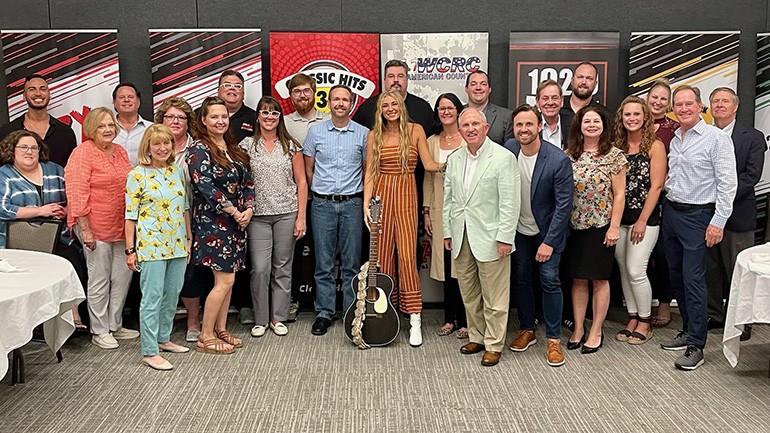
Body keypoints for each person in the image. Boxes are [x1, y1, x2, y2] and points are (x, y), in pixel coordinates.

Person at [659, 85, 736, 371]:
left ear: (700, 105)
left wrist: (718, 221)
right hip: (672, 212)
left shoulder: (716, 139)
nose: (683, 109)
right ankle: (688, 330)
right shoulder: (677, 138)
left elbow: (728, 183)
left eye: (688, 104)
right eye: (678, 105)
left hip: (699, 216)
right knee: (677, 276)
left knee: (693, 280)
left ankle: (697, 345)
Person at [363, 90, 443, 347]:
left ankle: (415, 319)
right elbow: (370, 174)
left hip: (408, 195)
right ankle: (387, 314)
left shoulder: (416, 130)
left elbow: (429, 164)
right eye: (385, 105)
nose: (390, 108)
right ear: (380, 110)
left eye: (394, 104)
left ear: (401, 106)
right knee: (382, 257)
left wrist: (452, 161)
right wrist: (366, 205)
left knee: (408, 257)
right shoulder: (374, 135)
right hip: (381, 198)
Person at [443, 107, 520, 367]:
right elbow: (449, 200)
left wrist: (505, 238)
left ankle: (494, 343)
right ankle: (476, 336)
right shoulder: (455, 159)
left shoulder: (503, 158)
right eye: (465, 125)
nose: (471, 129)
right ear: (460, 130)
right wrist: (447, 231)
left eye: (475, 124)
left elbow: (510, 203)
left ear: (486, 128)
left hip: (491, 238)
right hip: (461, 235)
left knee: (495, 298)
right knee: (469, 293)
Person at [503, 105, 573, 367]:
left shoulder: (557, 160)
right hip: (519, 231)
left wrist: (548, 243)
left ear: (540, 126)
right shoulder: (509, 149)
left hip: (547, 232)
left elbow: (563, 206)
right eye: (519, 125)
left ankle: (553, 340)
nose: (524, 129)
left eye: (529, 124)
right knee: (521, 280)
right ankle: (527, 329)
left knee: (549, 279)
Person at [187, 96, 256, 354]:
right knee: (224, 281)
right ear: (203, 120)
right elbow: (204, 185)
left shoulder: (233, 148)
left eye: (224, 116)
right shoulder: (199, 149)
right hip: (213, 224)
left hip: (237, 223)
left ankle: (221, 329)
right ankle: (206, 336)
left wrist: (248, 209)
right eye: (214, 116)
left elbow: (248, 182)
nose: (220, 121)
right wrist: (232, 210)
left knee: (229, 279)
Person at [65, 107, 137, 349]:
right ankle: (99, 329)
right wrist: (85, 229)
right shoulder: (82, 153)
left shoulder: (120, 151)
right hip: (94, 225)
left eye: (110, 125)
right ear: (91, 130)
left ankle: (114, 324)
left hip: (122, 225)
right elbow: (76, 193)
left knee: (122, 277)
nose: (107, 130)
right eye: (101, 126)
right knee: (99, 278)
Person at [0, 131, 87, 330]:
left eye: (34, 147)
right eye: (24, 147)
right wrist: (41, 211)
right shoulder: (4, 174)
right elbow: (2, 208)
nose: (29, 152)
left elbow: (74, 197)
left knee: (71, 263)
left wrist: (66, 210)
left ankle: (71, 316)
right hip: (20, 241)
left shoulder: (55, 170)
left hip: (58, 236)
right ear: (12, 151)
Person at [125, 124, 192, 370]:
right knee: (152, 297)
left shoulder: (176, 172)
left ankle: (164, 338)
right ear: (148, 147)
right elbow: (130, 216)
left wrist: (188, 239)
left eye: (167, 143)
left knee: (172, 294)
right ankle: (149, 350)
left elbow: (184, 208)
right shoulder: (137, 175)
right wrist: (130, 250)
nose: (162, 148)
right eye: (157, 144)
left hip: (176, 243)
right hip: (151, 245)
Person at [239, 96, 307, 338]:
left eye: (274, 113)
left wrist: (301, 217)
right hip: (257, 216)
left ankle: (278, 317)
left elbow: (301, 181)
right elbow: (241, 182)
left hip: (287, 213)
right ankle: (260, 319)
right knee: (259, 268)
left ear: (280, 118)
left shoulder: (291, 146)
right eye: (264, 113)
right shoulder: (246, 146)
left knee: (282, 267)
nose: (269, 117)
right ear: (257, 116)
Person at [304, 85, 368, 336]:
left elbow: (366, 170)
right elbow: (309, 170)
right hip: (322, 205)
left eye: (345, 100)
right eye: (336, 99)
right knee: (324, 262)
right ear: (328, 102)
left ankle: (352, 309)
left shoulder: (363, 134)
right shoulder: (315, 132)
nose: (340, 103)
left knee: (352, 263)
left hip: (352, 203)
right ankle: (324, 312)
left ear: (352, 104)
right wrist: (320, 192)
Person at [564, 105, 627, 354]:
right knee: (578, 279)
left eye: (596, 121)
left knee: (600, 279)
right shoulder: (569, 154)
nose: (591, 125)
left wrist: (614, 227)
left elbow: (620, 194)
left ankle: (596, 330)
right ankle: (579, 328)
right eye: (586, 121)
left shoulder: (614, 156)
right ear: (579, 126)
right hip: (575, 226)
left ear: (604, 126)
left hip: (602, 227)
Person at [705, 87, 765, 340]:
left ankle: (742, 322)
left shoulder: (752, 137)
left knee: (738, 270)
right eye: (715, 101)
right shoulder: (703, 135)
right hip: (706, 215)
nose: (720, 105)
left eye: (725, 101)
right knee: (711, 269)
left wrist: (723, 200)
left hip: (737, 217)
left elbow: (751, 176)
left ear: (736, 106)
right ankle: (715, 315)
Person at [612, 96, 666, 345]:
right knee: (624, 269)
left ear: (645, 117)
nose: (632, 119)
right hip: (620, 219)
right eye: (627, 115)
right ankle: (632, 317)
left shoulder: (654, 146)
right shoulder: (617, 147)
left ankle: (646, 321)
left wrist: (643, 220)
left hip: (645, 220)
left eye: (636, 114)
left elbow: (657, 187)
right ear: (621, 119)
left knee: (636, 270)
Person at [155, 96, 208, 342]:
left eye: (181, 117)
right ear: (161, 120)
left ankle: (193, 319)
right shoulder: (153, 148)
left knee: (189, 271)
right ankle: (159, 321)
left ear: (189, 122)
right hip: (157, 221)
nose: (175, 121)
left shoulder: (197, 148)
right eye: (170, 117)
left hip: (192, 217)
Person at [283, 73, 330, 322]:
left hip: (324, 199)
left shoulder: (330, 120)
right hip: (293, 200)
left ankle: (328, 302)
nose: (302, 95)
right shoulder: (284, 123)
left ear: (315, 93)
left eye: (306, 90)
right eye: (297, 91)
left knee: (325, 253)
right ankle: (291, 300)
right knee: (292, 253)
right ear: (291, 96)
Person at [213, 70, 258, 326]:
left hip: (245, 204)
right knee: (216, 264)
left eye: (237, 86)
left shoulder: (253, 118)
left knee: (244, 258)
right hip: (214, 206)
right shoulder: (203, 116)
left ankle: (243, 305)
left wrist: (246, 206)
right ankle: (214, 316)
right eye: (227, 85)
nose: (232, 89)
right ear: (218, 89)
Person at [423, 93, 468, 339]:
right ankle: (449, 318)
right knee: (446, 265)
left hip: (464, 211)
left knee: (463, 267)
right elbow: (429, 179)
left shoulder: (468, 138)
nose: (446, 112)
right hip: (440, 209)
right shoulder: (431, 141)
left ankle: (465, 320)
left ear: (458, 110)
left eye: (450, 107)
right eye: (441, 108)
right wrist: (426, 211)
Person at [645, 78, 679, 329]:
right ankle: (639, 307)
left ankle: (664, 303)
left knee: (662, 254)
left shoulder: (676, 129)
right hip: (633, 199)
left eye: (663, 99)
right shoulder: (631, 122)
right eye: (654, 96)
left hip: (665, 198)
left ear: (669, 104)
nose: (657, 102)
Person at [0, 74, 77, 167]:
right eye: (32, 89)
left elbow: (73, 170)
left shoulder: (65, 133)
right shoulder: (7, 131)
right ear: (24, 96)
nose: (38, 93)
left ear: (49, 95)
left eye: (43, 89)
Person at [464, 70, 513, 145]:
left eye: (483, 84)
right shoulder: (456, 114)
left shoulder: (506, 116)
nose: (478, 88)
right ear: (466, 89)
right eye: (473, 84)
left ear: (489, 89)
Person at [560, 62, 607, 133]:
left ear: (595, 84)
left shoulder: (605, 115)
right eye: (580, 77)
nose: (584, 82)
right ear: (572, 80)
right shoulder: (557, 108)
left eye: (589, 78)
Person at [113, 83, 150, 167]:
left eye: (131, 97)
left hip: (145, 178)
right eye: (121, 97)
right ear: (114, 103)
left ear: (138, 102)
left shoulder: (152, 129)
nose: (126, 100)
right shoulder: (105, 130)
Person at [535, 79, 571, 149]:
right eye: (545, 98)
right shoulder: (532, 124)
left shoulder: (572, 124)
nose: (550, 103)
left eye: (555, 98)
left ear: (562, 101)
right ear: (537, 102)